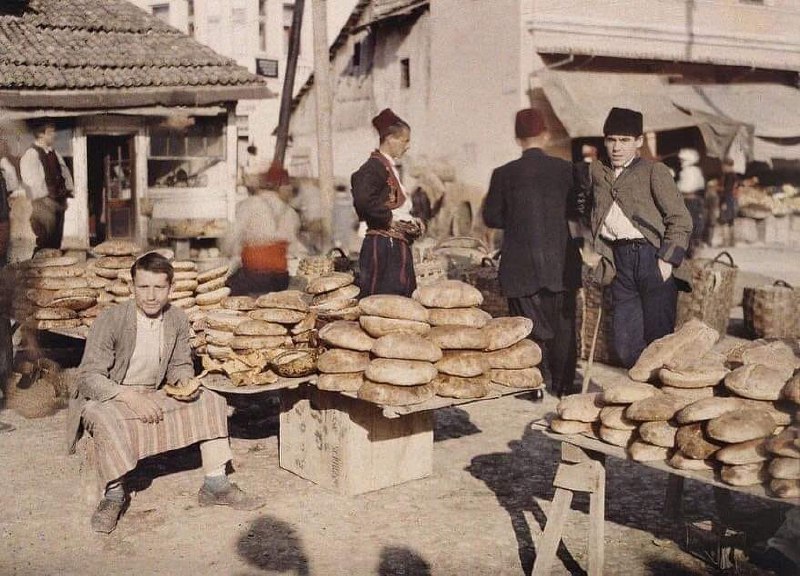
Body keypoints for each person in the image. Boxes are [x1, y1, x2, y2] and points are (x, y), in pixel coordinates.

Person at [68, 252, 264, 534]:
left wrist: (185, 380)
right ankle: (113, 494)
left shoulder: (176, 318)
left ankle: (216, 483)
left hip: (154, 393)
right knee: (105, 419)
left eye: (159, 288)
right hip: (110, 396)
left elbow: (180, 364)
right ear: (131, 287)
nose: (151, 296)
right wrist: (129, 397)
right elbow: (88, 378)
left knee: (210, 399)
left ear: (170, 289)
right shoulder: (110, 319)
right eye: (144, 287)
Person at [581, 107, 692, 368]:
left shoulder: (655, 171)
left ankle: (657, 403)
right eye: (611, 140)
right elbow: (589, 205)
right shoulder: (597, 171)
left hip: (652, 257)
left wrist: (666, 264)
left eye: (625, 140)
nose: (617, 148)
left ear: (639, 142)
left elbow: (680, 219)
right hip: (619, 262)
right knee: (624, 343)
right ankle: (636, 399)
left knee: (659, 343)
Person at [482, 108, 582, 397]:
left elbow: (491, 218)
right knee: (563, 327)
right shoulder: (566, 170)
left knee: (526, 325)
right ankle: (562, 386)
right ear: (547, 135)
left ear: (517, 139)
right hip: (560, 262)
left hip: (520, 263)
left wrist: (518, 219)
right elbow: (577, 211)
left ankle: (533, 383)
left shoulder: (503, 174)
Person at [351, 108, 423, 297]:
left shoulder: (388, 167)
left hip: (394, 244)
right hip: (383, 246)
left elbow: (395, 204)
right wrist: (388, 220)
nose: (407, 146)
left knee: (402, 299)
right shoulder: (373, 168)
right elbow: (363, 199)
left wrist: (412, 222)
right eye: (404, 140)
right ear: (390, 138)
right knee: (383, 299)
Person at [224, 165, 304, 296]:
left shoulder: (248, 205)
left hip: (253, 275)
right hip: (280, 279)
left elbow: (230, 238)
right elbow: (293, 246)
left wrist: (231, 253)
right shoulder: (290, 212)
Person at [20, 119, 74, 252]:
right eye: (50, 132)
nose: (54, 135)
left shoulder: (54, 153)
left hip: (57, 203)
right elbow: (31, 182)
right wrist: (47, 199)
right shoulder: (32, 154)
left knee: (55, 243)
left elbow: (64, 172)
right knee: (44, 242)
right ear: (40, 134)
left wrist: (67, 191)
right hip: (43, 205)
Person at [675, 148, 706, 257]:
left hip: (689, 201)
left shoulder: (689, 171)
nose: (681, 162)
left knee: (690, 225)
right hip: (691, 200)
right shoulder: (694, 171)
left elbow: (685, 187)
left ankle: (690, 249)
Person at [717, 157, 739, 247]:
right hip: (731, 199)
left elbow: (727, 190)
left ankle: (725, 241)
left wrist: (724, 202)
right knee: (731, 221)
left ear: (727, 166)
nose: (722, 168)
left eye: (723, 166)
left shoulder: (729, 176)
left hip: (727, 199)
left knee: (724, 221)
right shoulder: (734, 175)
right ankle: (732, 241)